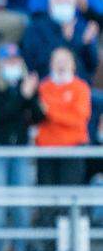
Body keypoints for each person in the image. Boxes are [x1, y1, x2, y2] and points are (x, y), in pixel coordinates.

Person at [0, 44, 41, 236]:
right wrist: (21, 95)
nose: (12, 63)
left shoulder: (26, 85)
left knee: (22, 208)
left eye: (15, 59)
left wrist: (31, 96)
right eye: (8, 60)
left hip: (20, 148)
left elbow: (39, 116)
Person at [21, 0, 101, 80]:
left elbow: (91, 65)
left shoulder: (81, 27)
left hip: (77, 86)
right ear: (50, 5)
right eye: (59, 1)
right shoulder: (36, 27)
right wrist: (65, 39)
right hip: (46, 84)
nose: (63, 5)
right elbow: (33, 61)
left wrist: (87, 44)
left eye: (67, 2)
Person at [36, 47, 90, 185]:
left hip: (72, 148)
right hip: (46, 149)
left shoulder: (81, 88)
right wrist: (63, 113)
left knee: (70, 194)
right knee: (47, 198)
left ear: (73, 64)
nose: (61, 64)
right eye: (57, 60)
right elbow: (36, 115)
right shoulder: (42, 87)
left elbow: (78, 118)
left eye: (65, 60)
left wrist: (51, 112)